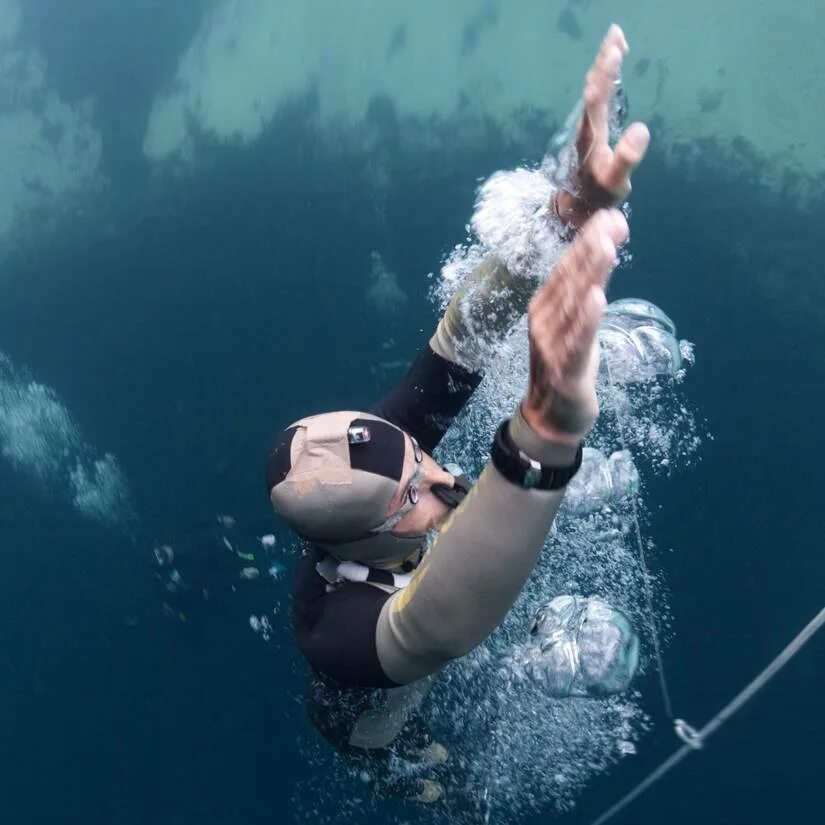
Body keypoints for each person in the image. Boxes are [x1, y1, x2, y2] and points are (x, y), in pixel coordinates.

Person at [265, 25, 650, 802]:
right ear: (357, 538)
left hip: (397, 627)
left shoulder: (393, 456)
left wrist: (560, 214)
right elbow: (435, 625)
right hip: (369, 718)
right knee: (434, 783)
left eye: (420, 460)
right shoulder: (332, 630)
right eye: (412, 496)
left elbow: (457, 343)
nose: (440, 478)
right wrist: (543, 435)